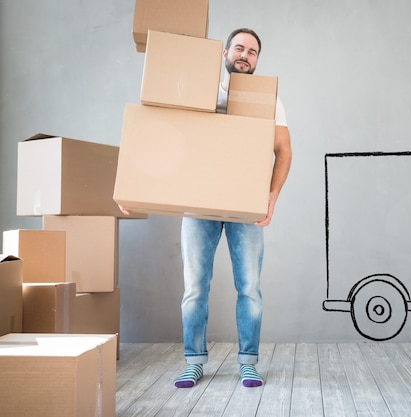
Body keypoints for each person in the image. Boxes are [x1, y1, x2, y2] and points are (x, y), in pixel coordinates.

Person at [173, 28, 292, 389]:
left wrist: (271, 197)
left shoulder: (269, 101)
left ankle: (248, 363)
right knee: (195, 287)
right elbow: (163, 133)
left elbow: (284, 151)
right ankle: (194, 362)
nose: (245, 55)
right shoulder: (199, 89)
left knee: (250, 287)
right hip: (200, 202)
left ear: (257, 61)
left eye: (252, 52)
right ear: (225, 52)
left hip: (245, 206)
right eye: (239, 47)